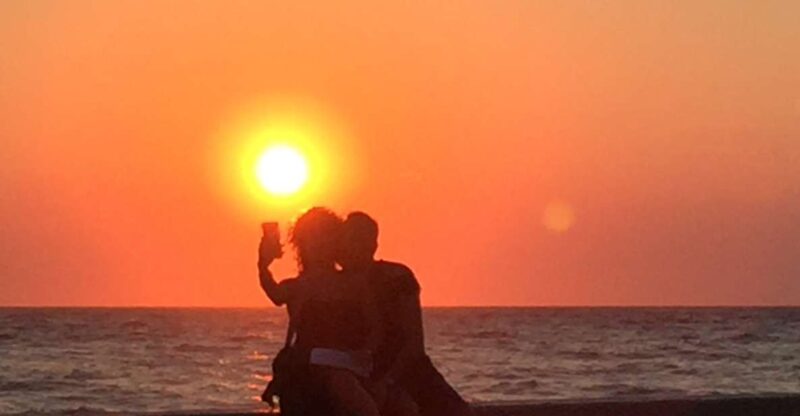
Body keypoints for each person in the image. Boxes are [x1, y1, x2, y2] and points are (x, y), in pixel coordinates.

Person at [338, 212, 474, 416]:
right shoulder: (334, 285)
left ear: (372, 245)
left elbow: (413, 343)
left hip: (405, 369)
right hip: (362, 372)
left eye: (357, 240)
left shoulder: (396, 277)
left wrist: (387, 380)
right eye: (348, 240)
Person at [258, 207, 381, 416]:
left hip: (347, 365)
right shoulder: (298, 286)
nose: (319, 244)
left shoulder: (353, 282)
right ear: (302, 244)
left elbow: (373, 325)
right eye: (312, 238)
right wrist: (263, 264)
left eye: (325, 237)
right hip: (308, 367)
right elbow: (276, 294)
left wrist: (367, 355)